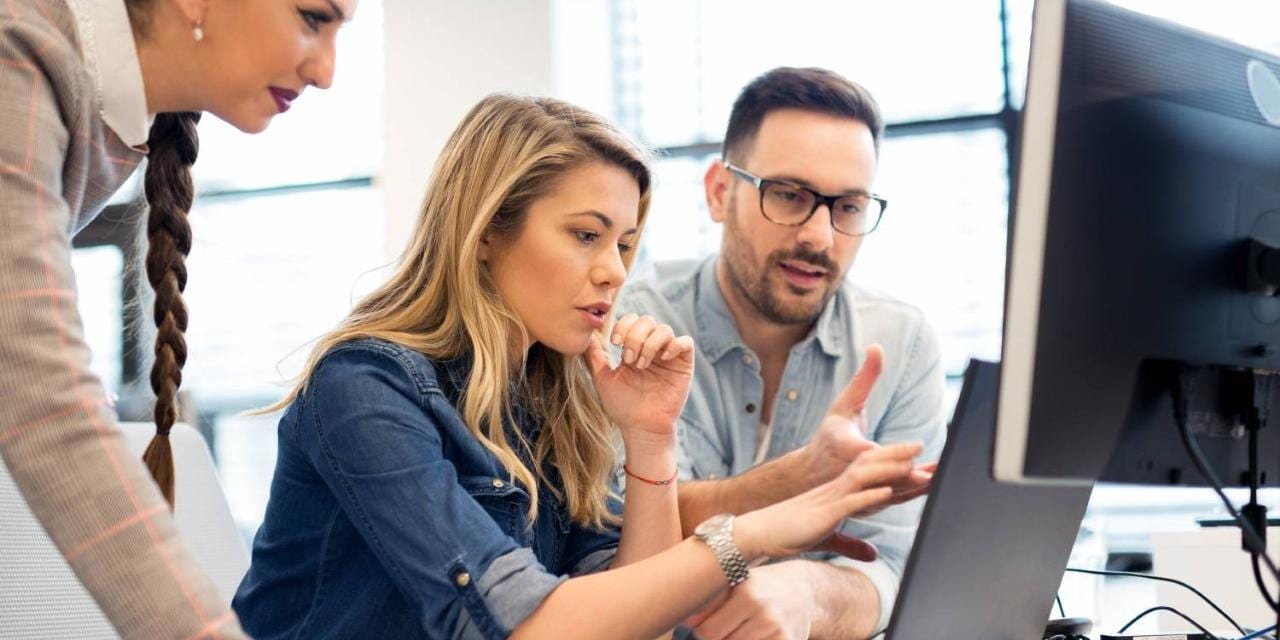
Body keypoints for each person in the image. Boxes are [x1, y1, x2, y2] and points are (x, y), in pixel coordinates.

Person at [232, 93, 925, 640]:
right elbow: (529, 626)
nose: (614, 271)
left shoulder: (548, 399)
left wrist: (650, 436)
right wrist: (749, 533)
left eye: (624, 244)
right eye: (586, 235)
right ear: (486, 231)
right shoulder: (363, 387)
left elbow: (634, 619)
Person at [0, 0, 356, 636]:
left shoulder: (107, 110)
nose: (327, 71)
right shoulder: (18, 51)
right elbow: (43, 404)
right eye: (311, 17)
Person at [614, 67, 946, 639]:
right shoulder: (633, 324)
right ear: (720, 192)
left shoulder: (903, 344)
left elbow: (898, 566)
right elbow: (622, 530)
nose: (819, 237)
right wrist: (806, 476)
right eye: (789, 195)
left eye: (848, 207)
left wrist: (812, 595)